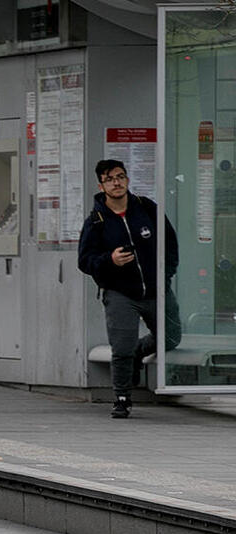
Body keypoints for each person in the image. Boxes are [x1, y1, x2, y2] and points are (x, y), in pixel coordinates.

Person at [76, 158, 180, 419]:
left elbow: (169, 243)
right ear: (101, 185)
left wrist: (165, 275)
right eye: (110, 179)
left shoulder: (146, 208)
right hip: (120, 293)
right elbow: (85, 260)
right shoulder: (96, 220)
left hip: (156, 289)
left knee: (171, 336)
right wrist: (109, 260)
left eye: (120, 176)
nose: (117, 182)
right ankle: (122, 398)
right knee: (121, 347)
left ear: (127, 180)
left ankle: (137, 352)